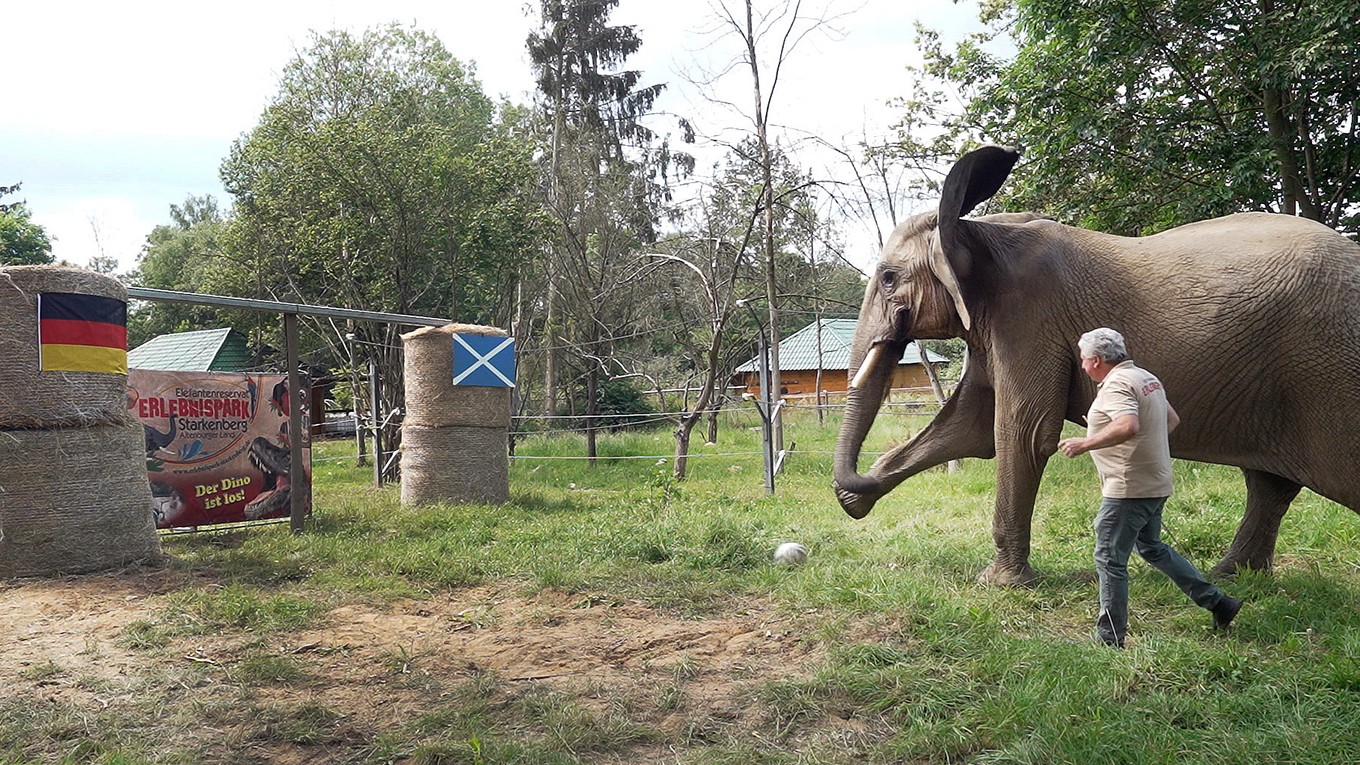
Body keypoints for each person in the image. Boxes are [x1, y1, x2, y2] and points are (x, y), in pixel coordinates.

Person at [1057, 327, 1241, 647]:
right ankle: (1219, 603)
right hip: (1155, 480)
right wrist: (1144, 449)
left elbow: (1128, 425)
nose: (1083, 365)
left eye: (1084, 359)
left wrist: (1086, 444)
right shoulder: (1145, 377)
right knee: (1152, 547)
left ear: (1097, 360)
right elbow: (1171, 420)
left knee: (1109, 558)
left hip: (1129, 488)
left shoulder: (1116, 384)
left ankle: (1110, 638)